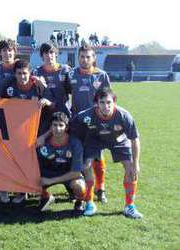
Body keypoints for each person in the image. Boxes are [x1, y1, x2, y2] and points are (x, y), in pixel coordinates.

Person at [70, 88, 143, 219]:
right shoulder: (85, 116)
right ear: (96, 103)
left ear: (114, 102)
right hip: (94, 139)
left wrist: (136, 163)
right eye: (102, 102)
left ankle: (130, 206)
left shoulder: (124, 115)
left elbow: (134, 140)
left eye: (109, 102)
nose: (106, 106)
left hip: (118, 139)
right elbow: (72, 131)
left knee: (131, 169)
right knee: (86, 166)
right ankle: (90, 203)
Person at [3, 59, 51, 204]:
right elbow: (0, 106)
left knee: (34, 162)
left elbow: (53, 104)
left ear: (30, 74)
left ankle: (32, 191)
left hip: (35, 130)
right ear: (15, 74)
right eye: (19, 73)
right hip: (15, 130)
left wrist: (47, 101)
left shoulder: (37, 87)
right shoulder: (9, 88)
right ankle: (17, 190)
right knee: (15, 160)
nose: (22, 76)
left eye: (25, 73)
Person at [68, 44, 111, 203]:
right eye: (82, 57)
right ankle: (79, 188)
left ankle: (101, 188)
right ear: (78, 57)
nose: (84, 60)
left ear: (93, 58)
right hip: (77, 123)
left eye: (88, 57)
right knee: (78, 155)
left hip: (96, 122)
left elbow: (108, 99)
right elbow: (65, 94)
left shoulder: (101, 75)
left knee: (98, 156)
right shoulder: (71, 74)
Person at [37, 112, 86, 213]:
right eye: (54, 125)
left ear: (66, 127)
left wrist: (51, 181)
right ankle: (46, 197)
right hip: (48, 173)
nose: (57, 129)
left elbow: (76, 172)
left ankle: (80, 201)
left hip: (69, 174)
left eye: (61, 125)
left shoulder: (75, 143)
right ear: (50, 127)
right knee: (29, 179)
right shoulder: (42, 143)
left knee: (79, 186)